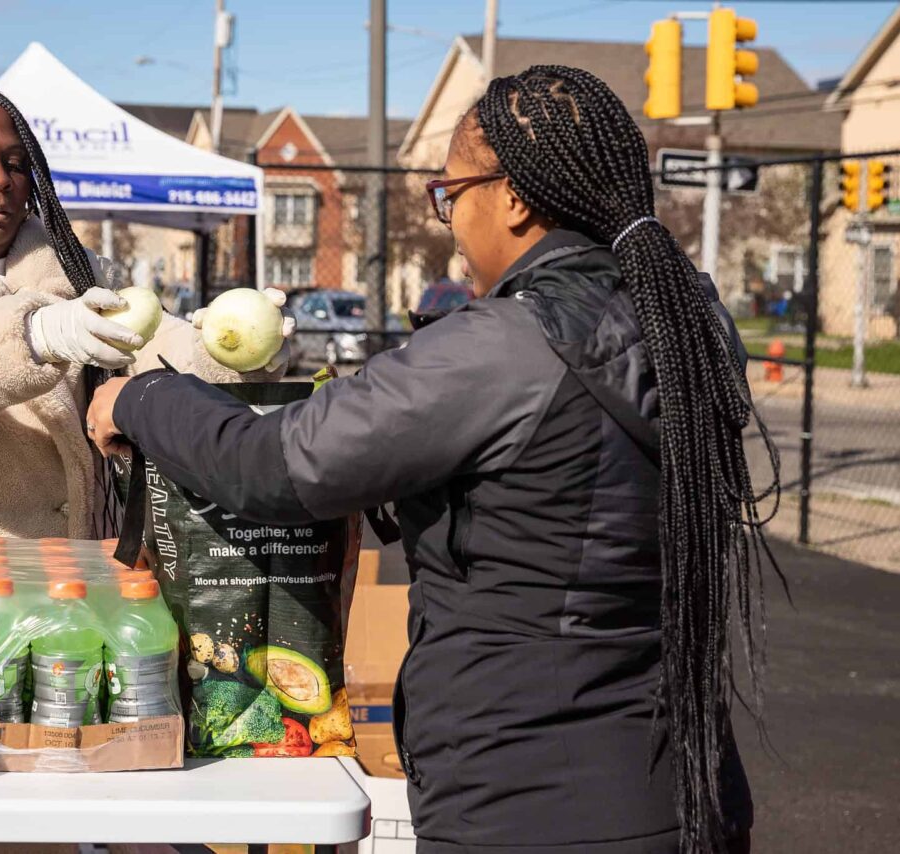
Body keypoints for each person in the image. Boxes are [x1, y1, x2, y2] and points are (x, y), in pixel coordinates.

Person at [87, 66, 777, 854]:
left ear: (511, 199)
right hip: (689, 789)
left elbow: (272, 466)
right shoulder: (690, 326)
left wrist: (142, 397)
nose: (448, 220)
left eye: (450, 194)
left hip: (531, 805)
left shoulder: (506, 347)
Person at [0, 85, 286, 604]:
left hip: (78, 587)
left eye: (16, 164)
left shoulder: (82, 275)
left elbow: (152, 347)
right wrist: (32, 338)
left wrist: (229, 352)